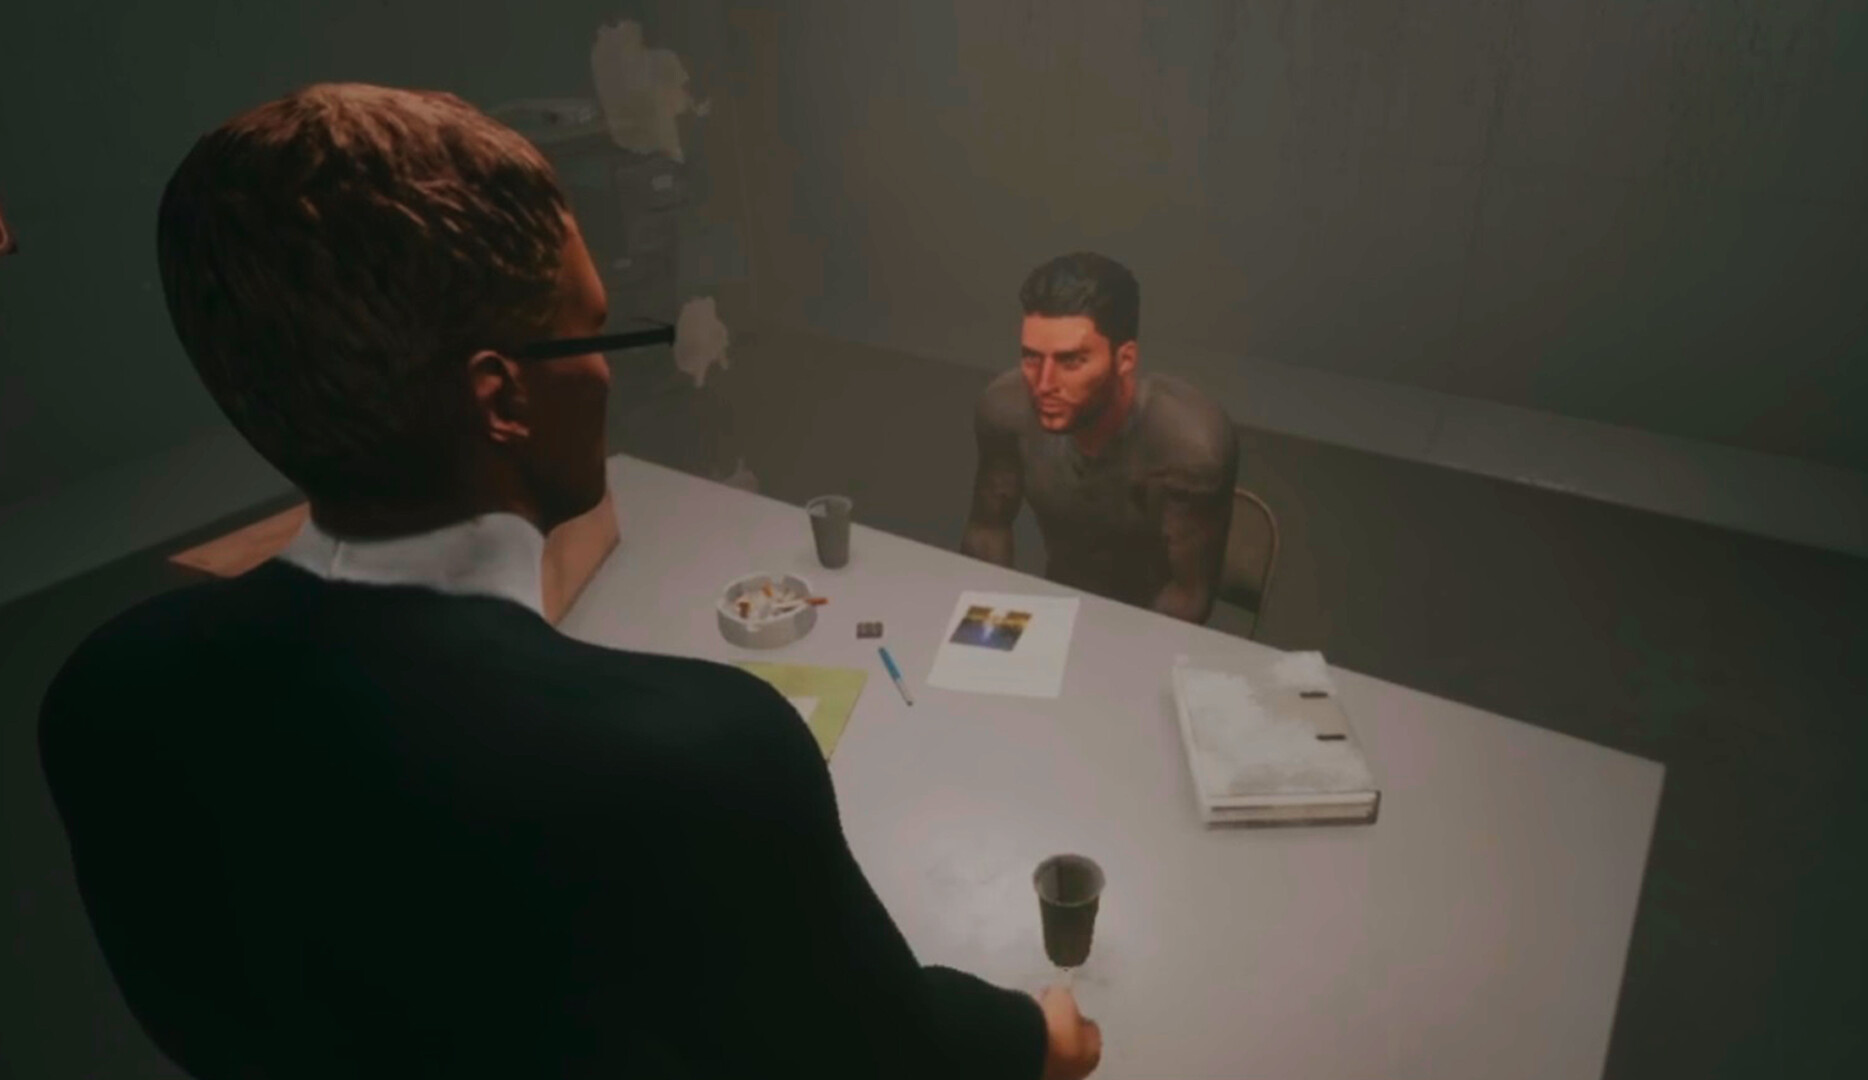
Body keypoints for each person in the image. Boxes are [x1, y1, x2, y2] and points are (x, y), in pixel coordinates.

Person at [37, 82, 1101, 1080]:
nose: (603, 371)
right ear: (501, 398)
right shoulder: (703, 756)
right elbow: (885, 1050)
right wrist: (1034, 1037)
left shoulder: (105, 694)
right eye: (592, 332)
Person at [962, 252, 1240, 624]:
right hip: (1057, 610)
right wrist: (989, 634)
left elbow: (1188, 595)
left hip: (1147, 625)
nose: (1043, 384)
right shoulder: (1005, 409)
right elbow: (986, 532)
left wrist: (1117, 654)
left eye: (1071, 361)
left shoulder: (1189, 445)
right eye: (1031, 358)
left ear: (1124, 359)